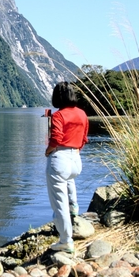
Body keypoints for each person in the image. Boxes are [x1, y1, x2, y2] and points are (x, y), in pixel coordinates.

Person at [44, 81, 89, 253]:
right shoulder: (83, 114)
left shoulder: (58, 115)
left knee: (59, 203)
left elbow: (55, 138)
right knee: (69, 181)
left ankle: (65, 241)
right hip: (76, 159)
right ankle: (75, 208)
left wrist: (48, 152)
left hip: (60, 158)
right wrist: (75, 151)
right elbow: (84, 138)